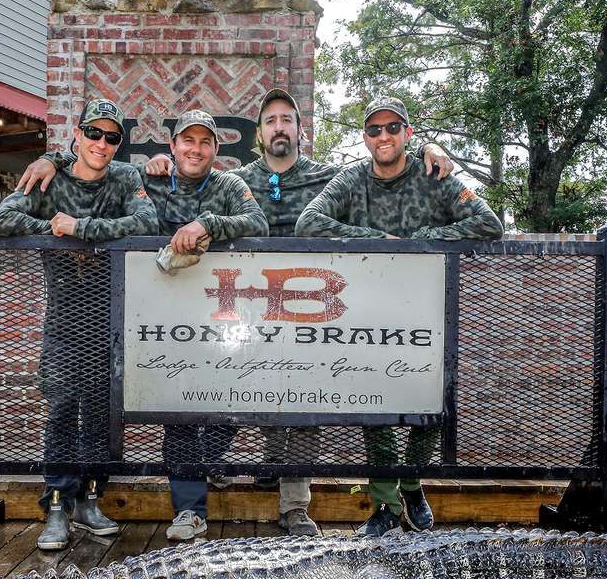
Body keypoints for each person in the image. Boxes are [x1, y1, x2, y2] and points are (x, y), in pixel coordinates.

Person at [136, 90, 455, 536]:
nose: (279, 127)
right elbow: (198, 196)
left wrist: (429, 149)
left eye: (288, 119)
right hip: (246, 310)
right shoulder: (238, 181)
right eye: (270, 120)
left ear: (300, 131)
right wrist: (158, 162)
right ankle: (239, 467)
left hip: (312, 307)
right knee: (237, 393)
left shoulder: (326, 177)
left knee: (303, 405)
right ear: (259, 134)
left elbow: (382, 164)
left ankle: (295, 504)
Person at [21, 108, 269, 541]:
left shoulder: (229, 185)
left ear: (216, 149)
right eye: (186, 141)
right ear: (171, 147)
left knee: (227, 400)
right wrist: (53, 158)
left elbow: (257, 223)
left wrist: (206, 223)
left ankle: (204, 469)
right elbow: (97, 163)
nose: (195, 149)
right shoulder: (147, 179)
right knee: (169, 409)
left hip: (218, 322)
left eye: (205, 142)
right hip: (145, 320)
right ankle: (175, 505)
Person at [296, 96, 503, 537]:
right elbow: (308, 223)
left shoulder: (435, 176)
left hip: (430, 310)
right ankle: (386, 505)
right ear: (365, 137)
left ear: (408, 134)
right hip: (370, 312)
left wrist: (423, 239)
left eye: (393, 128)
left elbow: (488, 223)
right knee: (378, 407)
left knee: (428, 405)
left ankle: (412, 483)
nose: (383, 136)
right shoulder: (353, 179)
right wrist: (377, 238)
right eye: (374, 130)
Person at [0, 98, 158, 550]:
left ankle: (89, 497)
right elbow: (2, 218)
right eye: (94, 133)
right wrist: (53, 228)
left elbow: (146, 221)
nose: (101, 143)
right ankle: (58, 504)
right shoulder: (52, 177)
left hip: (109, 312)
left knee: (101, 411)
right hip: (65, 313)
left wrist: (79, 226)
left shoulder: (125, 177)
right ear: (78, 135)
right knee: (63, 406)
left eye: (112, 137)